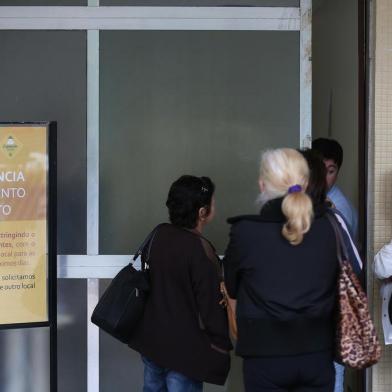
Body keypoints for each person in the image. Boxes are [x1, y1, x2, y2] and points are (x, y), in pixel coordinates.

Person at [224, 148, 339, 392]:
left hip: (265, 355)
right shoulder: (330, 226)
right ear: (306, 183)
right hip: (317, 352)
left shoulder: (245, 232)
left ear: (262, 185)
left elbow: (232, 287)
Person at [128, 175, 232, 391]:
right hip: (184, 352)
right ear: (202, 212)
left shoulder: (158, 234)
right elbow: (210, 308)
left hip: (152, 344)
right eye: (212, 202)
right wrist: (222, 345)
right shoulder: (201, 250)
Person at [312, 138, 358, 240]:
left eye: (330, 171)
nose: (323, 177)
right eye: (319, 169)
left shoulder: (341, 208)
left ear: (337, 173)